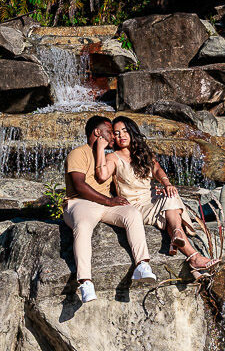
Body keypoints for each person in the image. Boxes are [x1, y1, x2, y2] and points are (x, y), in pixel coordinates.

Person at [60, 115, 154, 303]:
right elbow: (79, 186)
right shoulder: (78, 153)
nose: (114, 137)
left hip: (105, 204)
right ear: (97, 132)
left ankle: (142, 264)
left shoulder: (109, 156)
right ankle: (85, 281)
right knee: (84, 225)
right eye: (110, 132)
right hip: (80, 203)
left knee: (132, 213)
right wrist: (109, 201)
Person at [110, 117, 216, 274]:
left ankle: (180, 239)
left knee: (171, 194)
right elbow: (101, 177)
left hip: (151, 198)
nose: (121, 136)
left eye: (125, 131)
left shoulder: (142, 153)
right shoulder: (112, 157)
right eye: (117, 133)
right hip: (134, 206)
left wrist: (166, 183)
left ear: (132, 132)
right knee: (171, 205)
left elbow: (157, 169)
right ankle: (189, 250)